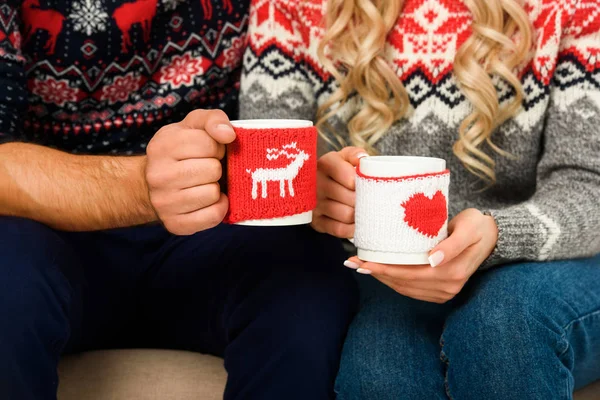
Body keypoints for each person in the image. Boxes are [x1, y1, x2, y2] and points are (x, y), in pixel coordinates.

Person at [239, 0, 600, 398]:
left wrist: (501, 234)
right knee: (382, 374)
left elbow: (588, 184)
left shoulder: (573, 8)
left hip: (543, 260)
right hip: (386, 270)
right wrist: (313, 195)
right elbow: (266, 156)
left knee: (504, 322)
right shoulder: (287, 8)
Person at [0, 1, 358, 399]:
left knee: (308, 281)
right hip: (46, 226)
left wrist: (313, 186)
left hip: (214, 230)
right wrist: (143, 186)